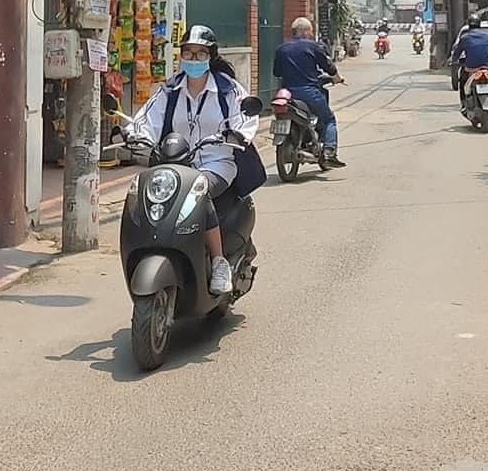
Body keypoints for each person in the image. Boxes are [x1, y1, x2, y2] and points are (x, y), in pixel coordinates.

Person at [126, 25, 258, 295]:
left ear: (211, 56)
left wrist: (237, 134)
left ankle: (219, 262)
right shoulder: (170, 89)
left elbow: (245, 117)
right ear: (181, 55)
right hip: (175, 164)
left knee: (198, 190)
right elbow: (147, 118)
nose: (194, 59)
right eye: (188, 53)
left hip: (217, 163)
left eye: (200, 54)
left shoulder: (228, 89)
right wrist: (133, 134)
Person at [272, 15, 345, 169]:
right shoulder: (313, 46)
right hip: (308, 91)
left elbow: (276, 72)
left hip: (286, 94)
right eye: (310, 30)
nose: (311, 34)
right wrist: (336, 77)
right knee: (329, 120)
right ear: (304, 31)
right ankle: (329, 152)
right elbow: (328, 66)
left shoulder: (281, 49)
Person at [450, 17, 488, 99]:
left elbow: (457, 53)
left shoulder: (465, 38)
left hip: (471, 67)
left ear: (469, 25)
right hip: (486, 66)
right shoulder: (487, 36)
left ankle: (464, 101)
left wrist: (454, 60)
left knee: (462, 80)